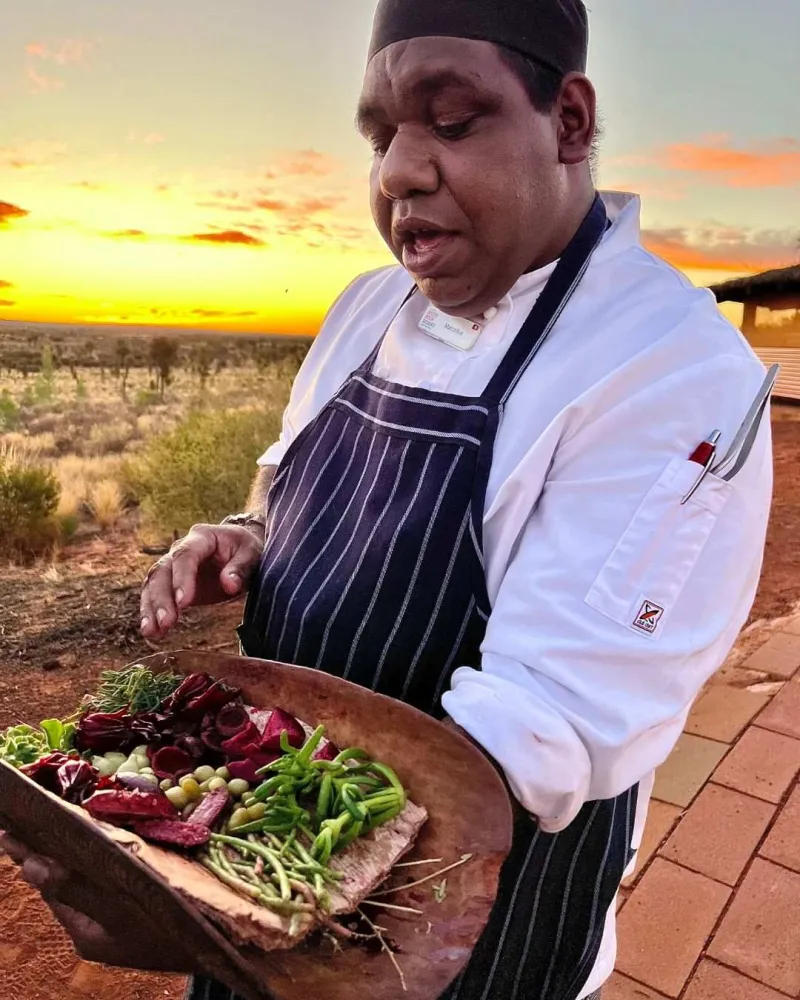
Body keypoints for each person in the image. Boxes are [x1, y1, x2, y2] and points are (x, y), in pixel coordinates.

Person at [2, 1, 774, 998]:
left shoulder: (665, 370)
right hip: (258, 850)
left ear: (569, 122)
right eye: (379, 136)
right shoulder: (368, 309)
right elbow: (281, 489)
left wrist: (194, 899)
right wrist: (242, 535)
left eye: (451, 123)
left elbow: (530, 742)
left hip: (456, 941)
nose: (398, 173)